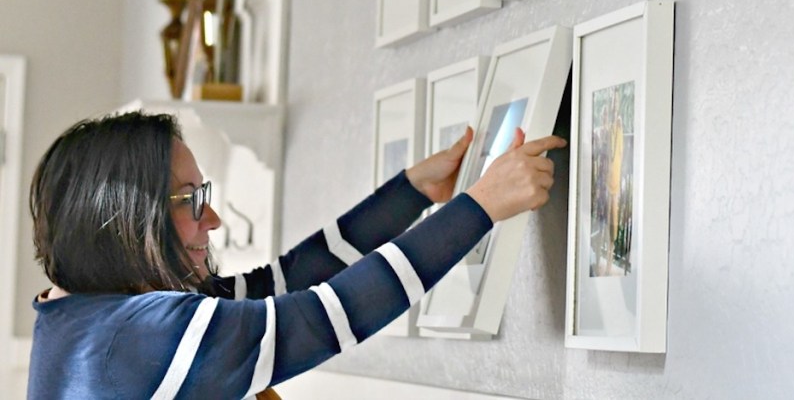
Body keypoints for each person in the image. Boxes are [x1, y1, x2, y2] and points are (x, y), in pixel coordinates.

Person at [27, 110, 565, 399]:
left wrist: (411, 193)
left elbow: (279, 283)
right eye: (193, 201)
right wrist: (481, 205)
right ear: (126, 216)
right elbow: (328, 316)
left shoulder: (83, 315)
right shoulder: (140, 333)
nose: (211, 220)